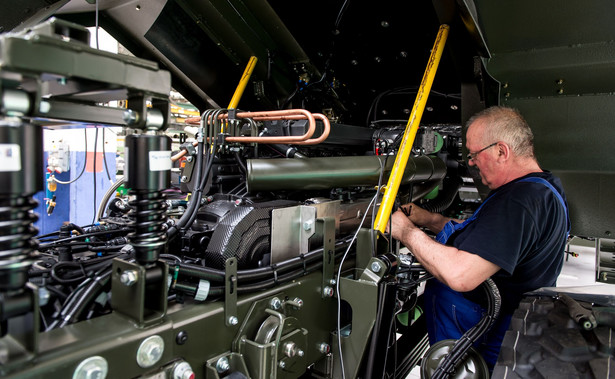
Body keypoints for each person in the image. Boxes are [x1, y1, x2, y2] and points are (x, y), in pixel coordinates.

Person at [389, 106, 570, 369]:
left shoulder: (518, 202)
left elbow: (461, 276)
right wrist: (427, 219)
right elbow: (484, 235)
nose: (471, 162)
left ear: (501, 151)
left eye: (475, 154)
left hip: (484, 333)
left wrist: (405, 231)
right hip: (513, 323)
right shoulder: (544, 188)